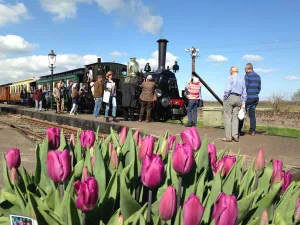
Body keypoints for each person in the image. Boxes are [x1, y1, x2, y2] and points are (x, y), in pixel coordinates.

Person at [222, 66, 247, 142]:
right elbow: (244, 92)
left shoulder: (230, 78)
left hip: (230, 97)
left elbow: (227, 89)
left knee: (228, 116)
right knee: (235, 117)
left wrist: (225, 97)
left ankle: (228, 137)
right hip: (239, 98)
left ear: (231, 71)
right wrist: (243, 102)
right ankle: (235, 136)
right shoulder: (242, 79)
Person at [239, 63, 262, 136]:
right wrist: (255, 93)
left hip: (248, 98)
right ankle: (252, 131)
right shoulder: (258, 76)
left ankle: (239, 130)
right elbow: (259, 88)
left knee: (241, 113)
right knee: (252, 114)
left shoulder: (247, 76)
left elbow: (245, 88)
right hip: (255, 98)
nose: (244, 70)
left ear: (248, 68)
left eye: (245, 69)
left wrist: (242, 96)